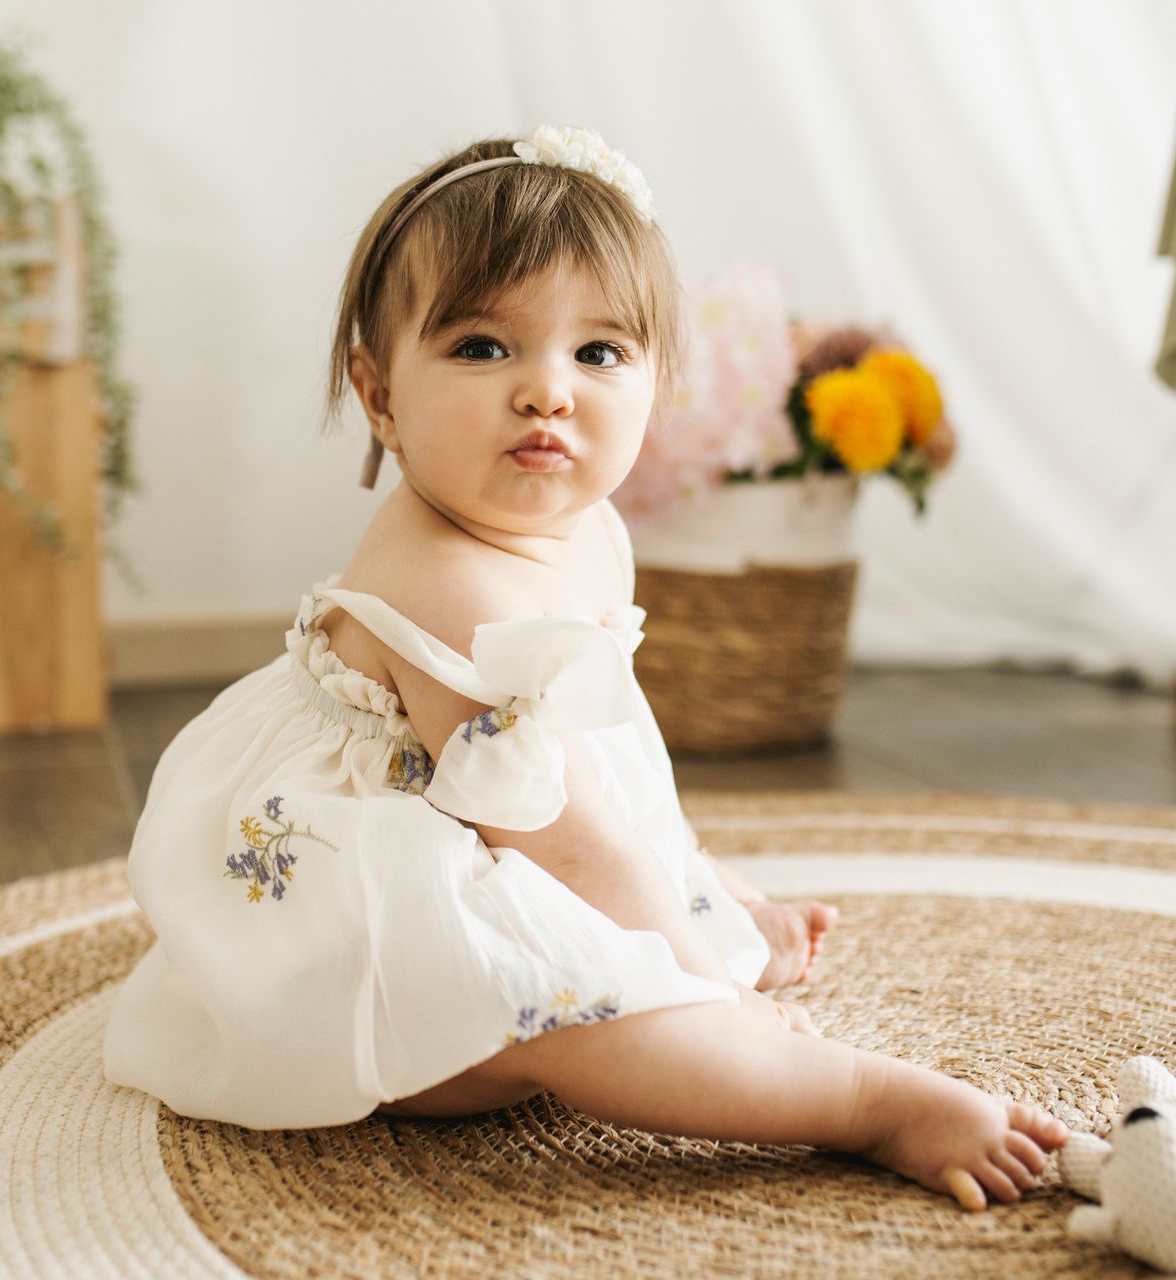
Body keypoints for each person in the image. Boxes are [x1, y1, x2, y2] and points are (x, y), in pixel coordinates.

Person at [103, 126, 1066, 1211]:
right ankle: (857, 1099)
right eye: (481, 347)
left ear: (656, 382)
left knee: (638, 894)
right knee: (583, 1010)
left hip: (514, 821)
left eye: (598, 353)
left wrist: (697, 886)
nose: (547, 391)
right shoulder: (445, 584)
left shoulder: (587, 524)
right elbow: (554, 836)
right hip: (375, 910)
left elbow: (598, 773)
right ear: (379, 395)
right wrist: (703, 981)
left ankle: (699, 922)